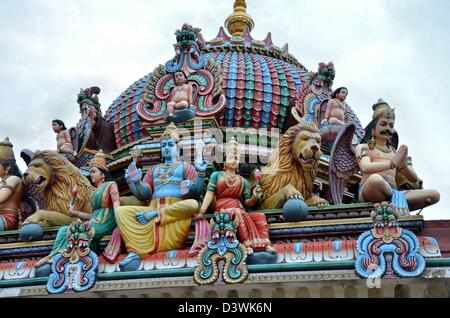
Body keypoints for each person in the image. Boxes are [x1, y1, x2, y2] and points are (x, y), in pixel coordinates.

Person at [115, 123, 206, 269]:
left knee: (192, 204)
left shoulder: (185, 166)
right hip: (151, 208)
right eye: (163, 145)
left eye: (170, 144)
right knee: (121, 212)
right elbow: (143, 194)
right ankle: (135, 252)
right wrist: (135, 182)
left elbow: (196, 191)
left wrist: (201, 173)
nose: (167, 148)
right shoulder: (154, 170)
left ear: (177, 147)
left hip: (173, 212)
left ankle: (156, 215)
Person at [34, 150, 120, 267]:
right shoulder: (93, 193)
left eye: (94, 171)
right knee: (64, 230)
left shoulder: (111, 185)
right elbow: (92, 215)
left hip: (106, 221)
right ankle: (54, 254)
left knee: (80, 231)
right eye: (90, 172)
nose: (91, 174)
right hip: (94, 221)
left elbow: (116, 203)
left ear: (103, 174)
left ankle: (67, 258)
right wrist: (74, 212)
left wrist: (120, 218)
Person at [355, 99, 440, 215]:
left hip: (394, 191)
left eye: (391, 125)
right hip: (371, 189)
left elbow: (414, 180)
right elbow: (365, 167)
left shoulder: (395, 152)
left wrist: (404, 166)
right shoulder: (363, 147)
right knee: (375, 179)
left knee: (434, 195)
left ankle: (395, 202)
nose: (388, 129)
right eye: (383, 124)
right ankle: (396, 203)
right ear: (373, 129)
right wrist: (392, 164)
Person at [195, 138, 276, 255]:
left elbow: (248, 203)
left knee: (260, 216)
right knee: (237, 212)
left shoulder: (243, 181)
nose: (234, 160)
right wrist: (202, 211)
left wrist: (254, 197)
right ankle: (246, 245)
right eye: (231, 157)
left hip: (239, 209)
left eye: (236, 158)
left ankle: (266, 244)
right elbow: (209, 193)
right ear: (225, 161)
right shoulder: (216, 175)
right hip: (223, 209)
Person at [0, 137, 23, 232]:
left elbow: (1, 198)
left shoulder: (13, 179)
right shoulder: (4, 181)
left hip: (7, 219)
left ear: (7, 167)